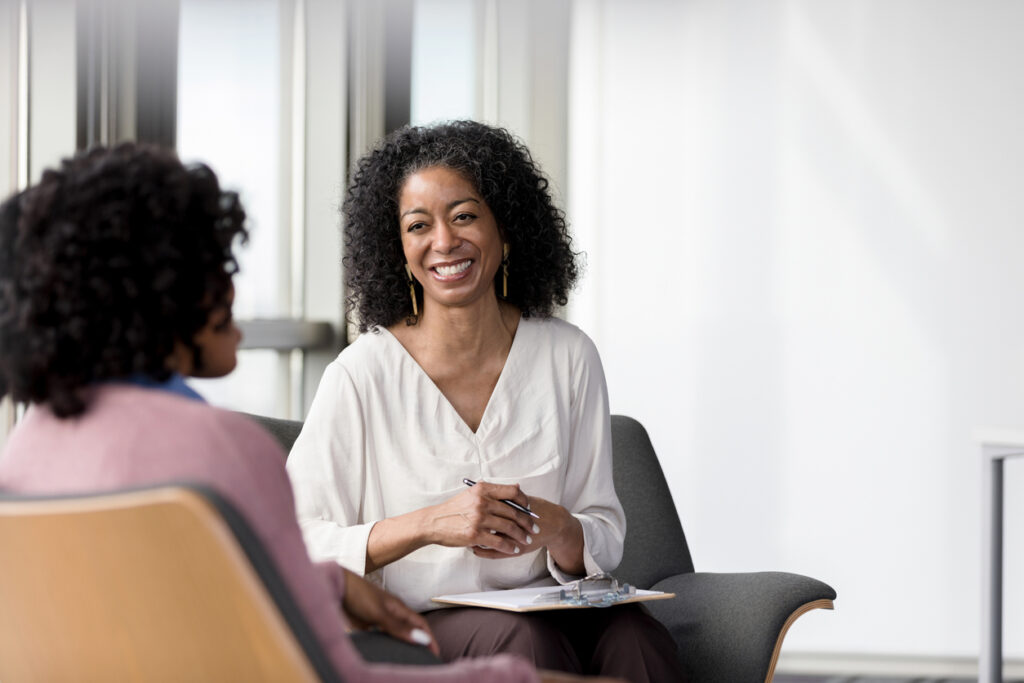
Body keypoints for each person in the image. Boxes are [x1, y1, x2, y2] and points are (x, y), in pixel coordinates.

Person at [0, 143, 611, 683]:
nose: (236, 293)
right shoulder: (223, 451)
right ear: (159, 294)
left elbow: (209, 589)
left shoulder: (25, 451)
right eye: (218, 269)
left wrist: (332, 583)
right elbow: (324, 669)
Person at [286, 121, 685, 682]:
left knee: (636, 637)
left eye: (465, 216)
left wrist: (562, 531)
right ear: (397, 248)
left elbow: (601, 526)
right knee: (520, 643)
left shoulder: (568, 356)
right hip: (423, 623)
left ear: (507, 228)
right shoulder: (361, 375)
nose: (445, 242)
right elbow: (296, 539)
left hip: (554, 606)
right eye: (419, 225)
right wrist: (428, 524)